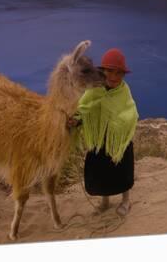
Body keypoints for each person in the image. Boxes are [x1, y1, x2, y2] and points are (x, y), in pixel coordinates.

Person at [67, 48, 139, 216]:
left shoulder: (123, 91)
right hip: (99, 139)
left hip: (118, 140)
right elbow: (84, 109)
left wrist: (118, 122)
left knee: (122, 171)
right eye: (110, 72)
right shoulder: (94, 90)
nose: (114, 77)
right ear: (102, 71)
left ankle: (126, 201)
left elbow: (131, 113)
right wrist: (76, 120)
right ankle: (105, 201)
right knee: (101, 173)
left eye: (119, 73)